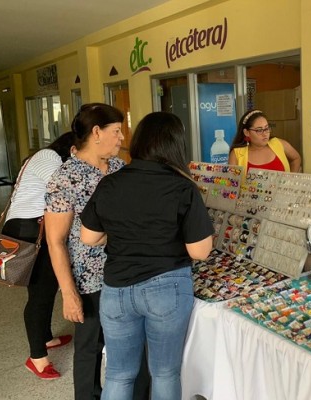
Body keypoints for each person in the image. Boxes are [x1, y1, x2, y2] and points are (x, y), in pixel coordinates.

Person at [80, 111, 214, 400]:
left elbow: (88, 237)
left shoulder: (111, 183)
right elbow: (200, 251)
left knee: (118, 373)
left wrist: (118, 230)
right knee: (164, 373)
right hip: (167, 288)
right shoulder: (182, 187)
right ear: (176, 145)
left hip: (116, 289)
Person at [44, 103, 149, 400]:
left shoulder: (119, 168)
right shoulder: (64, 178)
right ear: (96, 132)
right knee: (90, 346)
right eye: (116, 131)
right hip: (90, 281)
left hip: (128, 272)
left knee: (134, 344)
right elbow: (56, 240)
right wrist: (68, 293)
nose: (121, 138)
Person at [2, 132, 76, 380]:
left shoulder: (51, 157)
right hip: (29, 229)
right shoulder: (49, 156)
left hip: (36, 227)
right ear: (71, 148)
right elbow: (64, 188)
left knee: (43, 288)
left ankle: (45, 337)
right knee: (41, 292)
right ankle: (36, 358)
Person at [228, 109, 302, 175]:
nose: (265, 133)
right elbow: (232, 184)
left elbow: (296, 158)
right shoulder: (237, 154)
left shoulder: (279, 144)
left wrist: (291, 179)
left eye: (266, 128)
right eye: (259, 130)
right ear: (246, 132)